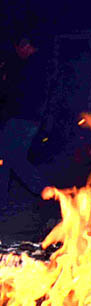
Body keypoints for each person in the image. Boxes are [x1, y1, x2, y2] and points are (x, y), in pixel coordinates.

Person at [0, 36, 49, 205]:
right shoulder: (40, 63)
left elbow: (14, 92)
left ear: (26, 46)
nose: (18, 54)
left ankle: (44, 189)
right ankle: (42, 189)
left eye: (19, 50)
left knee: (11, 157)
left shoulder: (31, 66)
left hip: (22, 118)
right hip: (30, 119)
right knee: (10, 157)